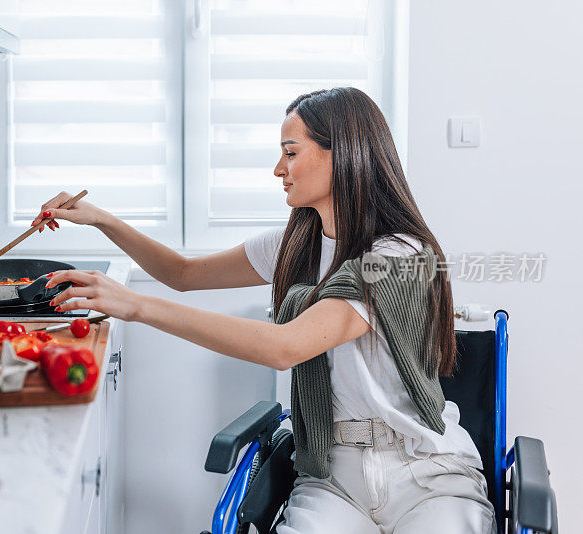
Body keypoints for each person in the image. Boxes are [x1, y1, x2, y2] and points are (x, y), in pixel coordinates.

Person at [30, 87, 496, 533]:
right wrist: (102, 219)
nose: (279, 169)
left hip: (424, 474)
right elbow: (184, 274)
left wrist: (137, 306)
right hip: (333, 476)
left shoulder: (398, 255)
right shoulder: (295, 243)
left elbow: (285, 347)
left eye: (290, 152)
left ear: (344, 154)